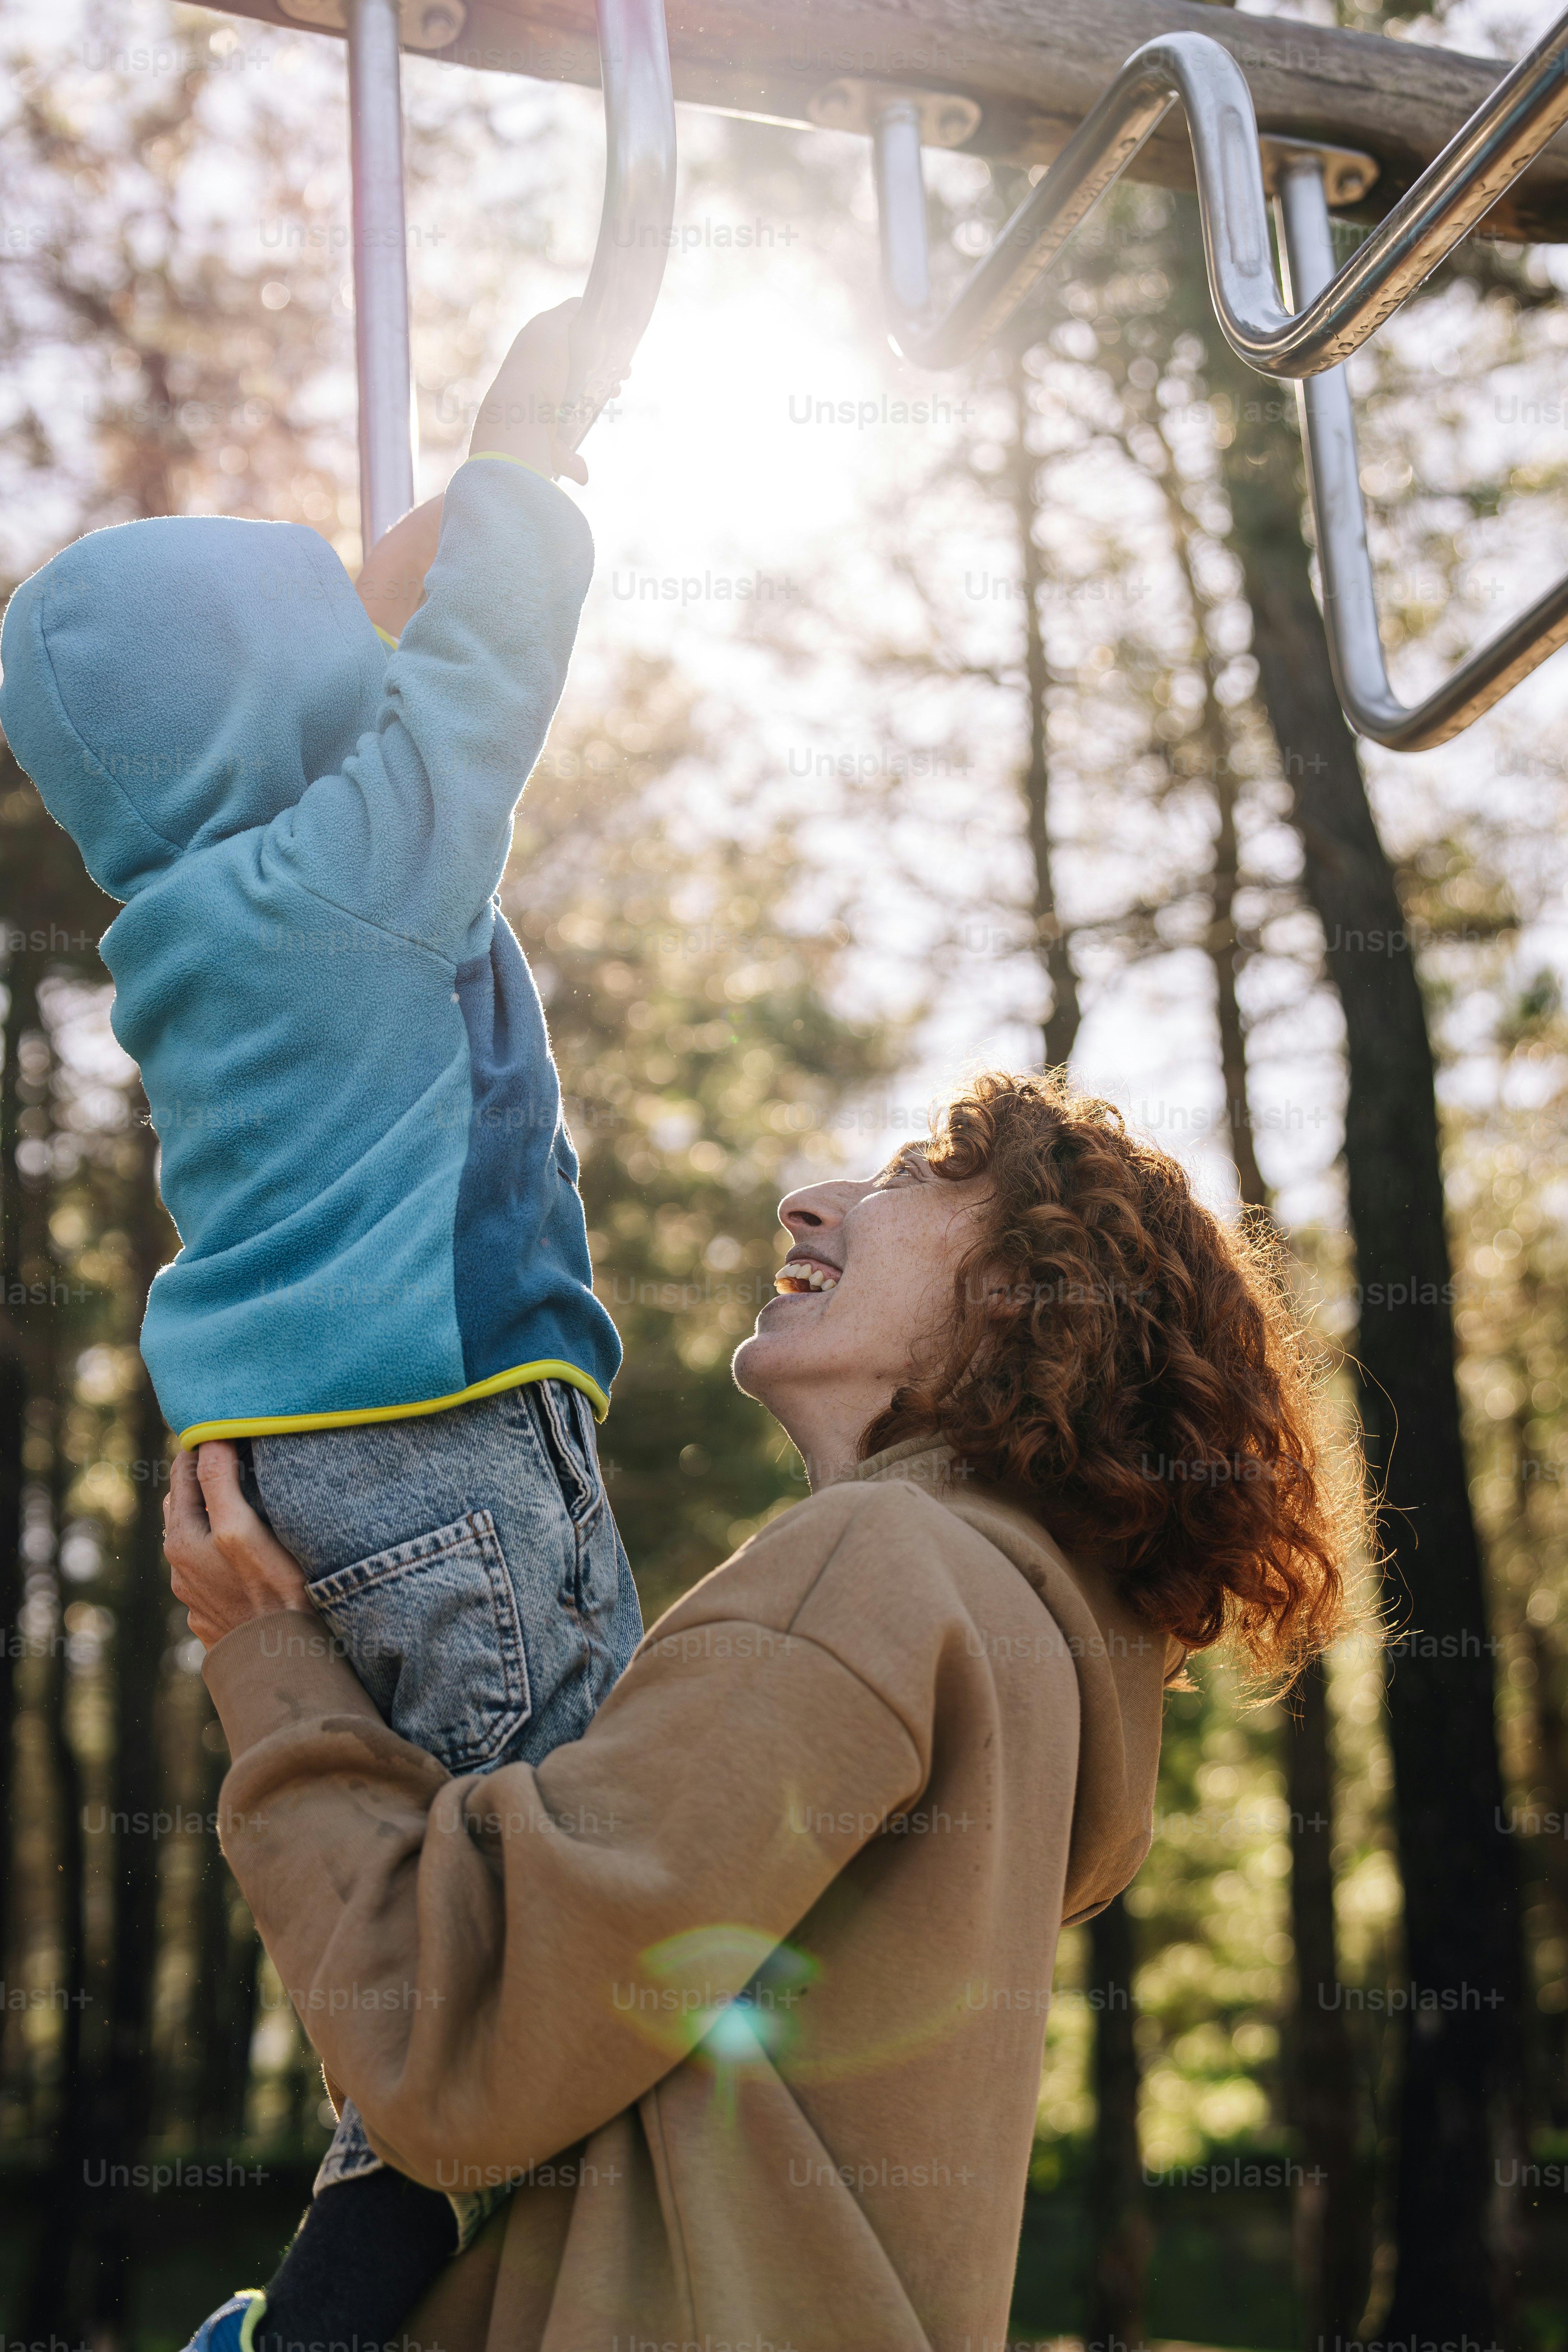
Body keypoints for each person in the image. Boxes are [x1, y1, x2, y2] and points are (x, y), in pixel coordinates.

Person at [166, 1071, 1363, 2352]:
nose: (807, 1203)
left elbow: (465, 2045)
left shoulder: (882, 1566)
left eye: (910, 1179)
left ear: (1035, 1291)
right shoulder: (1032, 1660)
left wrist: (266, 1659)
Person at [0, 303, 644, 2342]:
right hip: (440, 1443)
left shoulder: (203, 914)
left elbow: (349, 666)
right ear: (276, 709)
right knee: (540, 1927)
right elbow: (474, 686)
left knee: (461, 1921)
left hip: (327, 1465)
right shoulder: (342, 881)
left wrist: (416, 537)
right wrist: (522, 439)